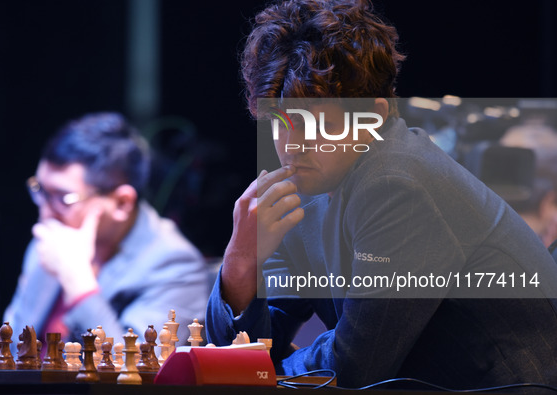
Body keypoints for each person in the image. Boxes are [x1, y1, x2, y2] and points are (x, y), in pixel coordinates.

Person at [206, 0, 557, 390]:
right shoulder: (302, 189)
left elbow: (354, 367)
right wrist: (239, 262)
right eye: (280, 121)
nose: (293, 145)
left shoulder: (398, 182)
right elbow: (238, 354)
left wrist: (269, 367)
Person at [4, 112, 208, 346]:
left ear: (122, 203)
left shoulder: (175, 266)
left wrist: (78, 283)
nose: (45, 213)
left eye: (64, 198)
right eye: (40, 190)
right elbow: (7, 353)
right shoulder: (53, 240)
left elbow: (136, 374)